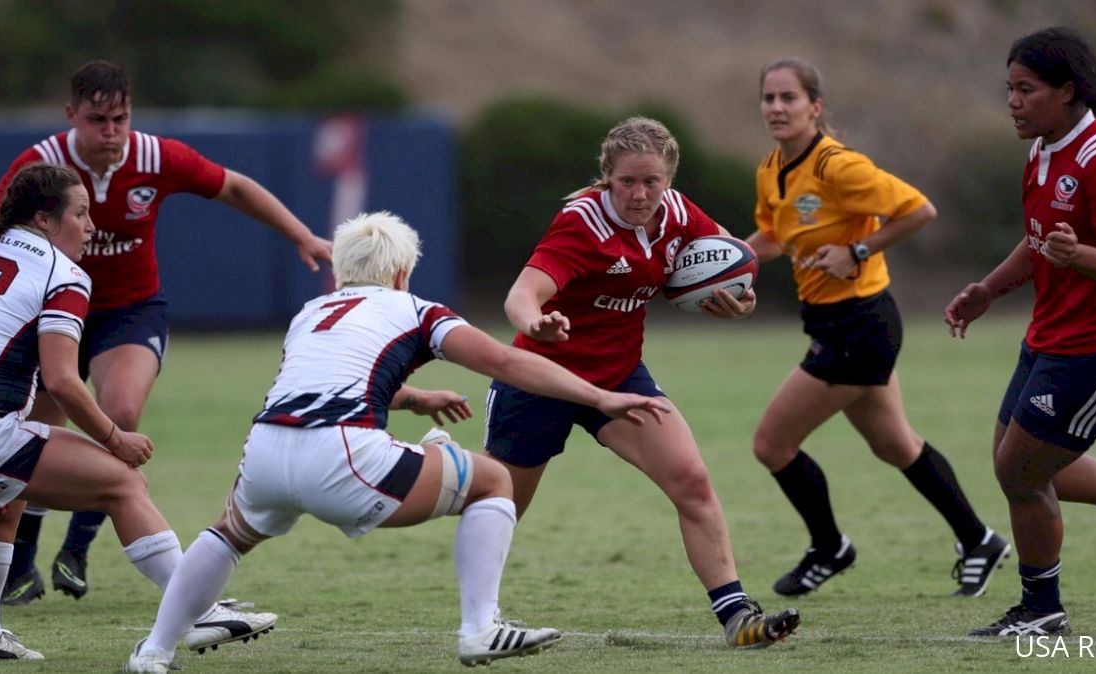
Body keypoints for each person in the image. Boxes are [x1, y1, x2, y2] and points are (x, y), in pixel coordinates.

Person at [123, 210, 673, 672]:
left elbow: (334, 378)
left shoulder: (310, 313)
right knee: (494, 480)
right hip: (340, 456)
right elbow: (507, 360)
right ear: (403, 272)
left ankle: (153, 651)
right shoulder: (415, 309)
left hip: (265, 451)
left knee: (229, 535)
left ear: (342, 271)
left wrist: (413, 398)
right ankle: (481, 628)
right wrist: (600, 397)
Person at [0, 60, 333, 606]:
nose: (111, 131)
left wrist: (302, 235)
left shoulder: (155, 156)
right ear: (72, 116)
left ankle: (78, 547)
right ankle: (22, 566)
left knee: (121, 413)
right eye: (98, 120)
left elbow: (232, 186)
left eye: (121, 118)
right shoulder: (42, 166)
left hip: (127, 310)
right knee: (30, 436)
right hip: (50, 312)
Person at [484, 116, 800, 650]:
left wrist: (740, 301)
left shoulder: (678, 214)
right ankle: (481, 617)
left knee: (692, 482)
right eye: (626, 181)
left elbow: (732, 260)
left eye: (651, 181)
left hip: (621, 379)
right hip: (543, 379)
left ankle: (737, 617)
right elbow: (521, 294)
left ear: (668, 180)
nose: (638, 193)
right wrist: (536, 323)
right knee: (498, 507)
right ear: (606, 177)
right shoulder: (582, 223)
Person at [0, 163, 276, 661]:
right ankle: (198, 611)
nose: (92, 227)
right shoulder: (62, 273)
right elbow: (64, 381)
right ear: (44, 219)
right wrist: (116, 439)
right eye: (82, 214)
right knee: (122, 481)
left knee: (7, 500)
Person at [744, 57, 1008, 598]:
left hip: (860, 326)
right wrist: (723, 263)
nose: (776, 107)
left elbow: (920, 211)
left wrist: (857, 249)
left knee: (772, 444)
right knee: (895, 445)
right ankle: (977, 539)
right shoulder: (770, 169)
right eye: (768, 98)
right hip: (833, 322)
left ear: (814, 107)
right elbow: (771, 237)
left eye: (788, 98)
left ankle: (829, 548)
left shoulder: (839, 166)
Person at [945, 27, 1096, 637]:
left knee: (1021, 472)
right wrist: (987, 289)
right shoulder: (1043, 150)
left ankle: (1044, 611)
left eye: (1027, 89)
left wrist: (1080, 256)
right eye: (1009, 88)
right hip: (1049, 340)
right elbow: (1040, 239)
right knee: (1014, 463)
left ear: (1067, 91)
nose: (1012, 101)